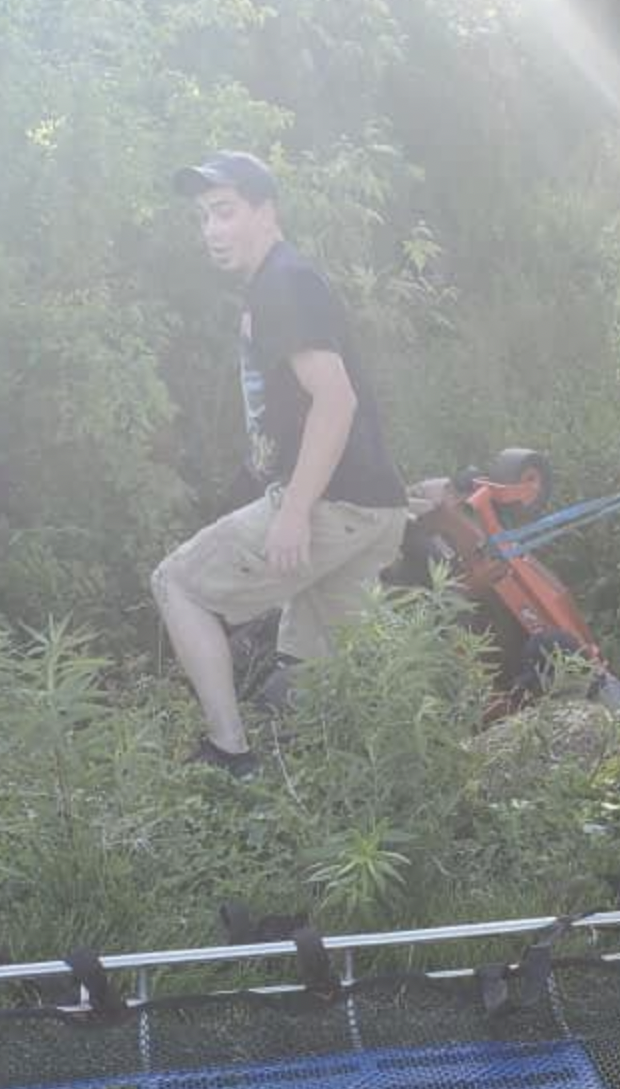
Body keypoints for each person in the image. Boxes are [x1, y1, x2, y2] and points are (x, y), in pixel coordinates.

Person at [153, 153, 408, 775]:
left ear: (266, 212)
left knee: (178, 585)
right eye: (203, 217)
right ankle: (364, 781)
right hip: (369, 506)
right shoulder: (281, 281)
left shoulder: (284, 284)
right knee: (322, 671)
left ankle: (229, 754)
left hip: (330, 504)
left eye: (225, 212)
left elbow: (336, 400)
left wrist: (293, 511)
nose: (211, 230)